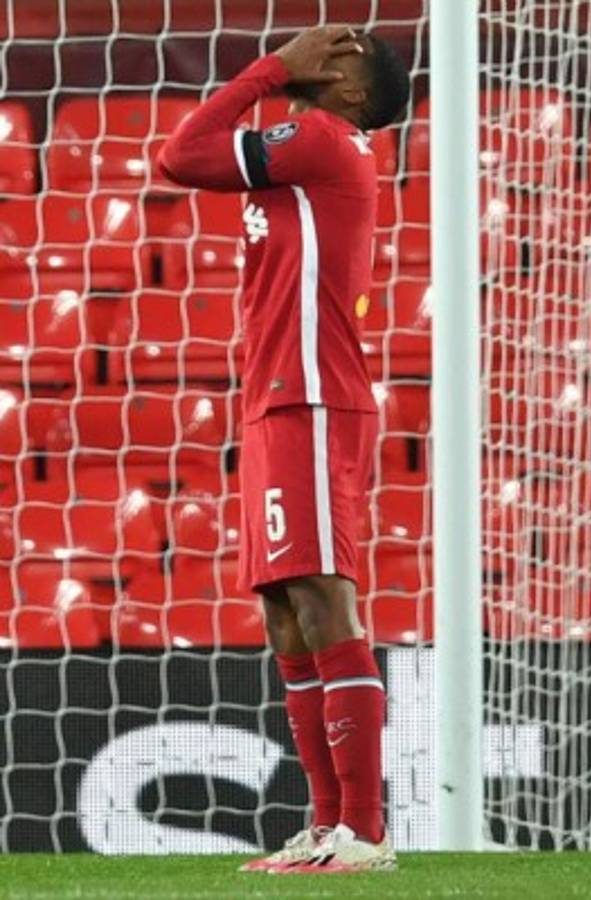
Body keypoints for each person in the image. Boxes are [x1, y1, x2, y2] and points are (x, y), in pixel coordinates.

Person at [159, 25, 410, 874]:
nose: (317, 49)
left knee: (321, 597)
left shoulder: (316, 138)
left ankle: (365, 833)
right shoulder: (310, 145)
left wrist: (267, 72)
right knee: (285, 614)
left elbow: (180, 155)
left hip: (310, 395)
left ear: (352, 92)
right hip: (276, 399)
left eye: (337, 51)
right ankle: (327, 827)